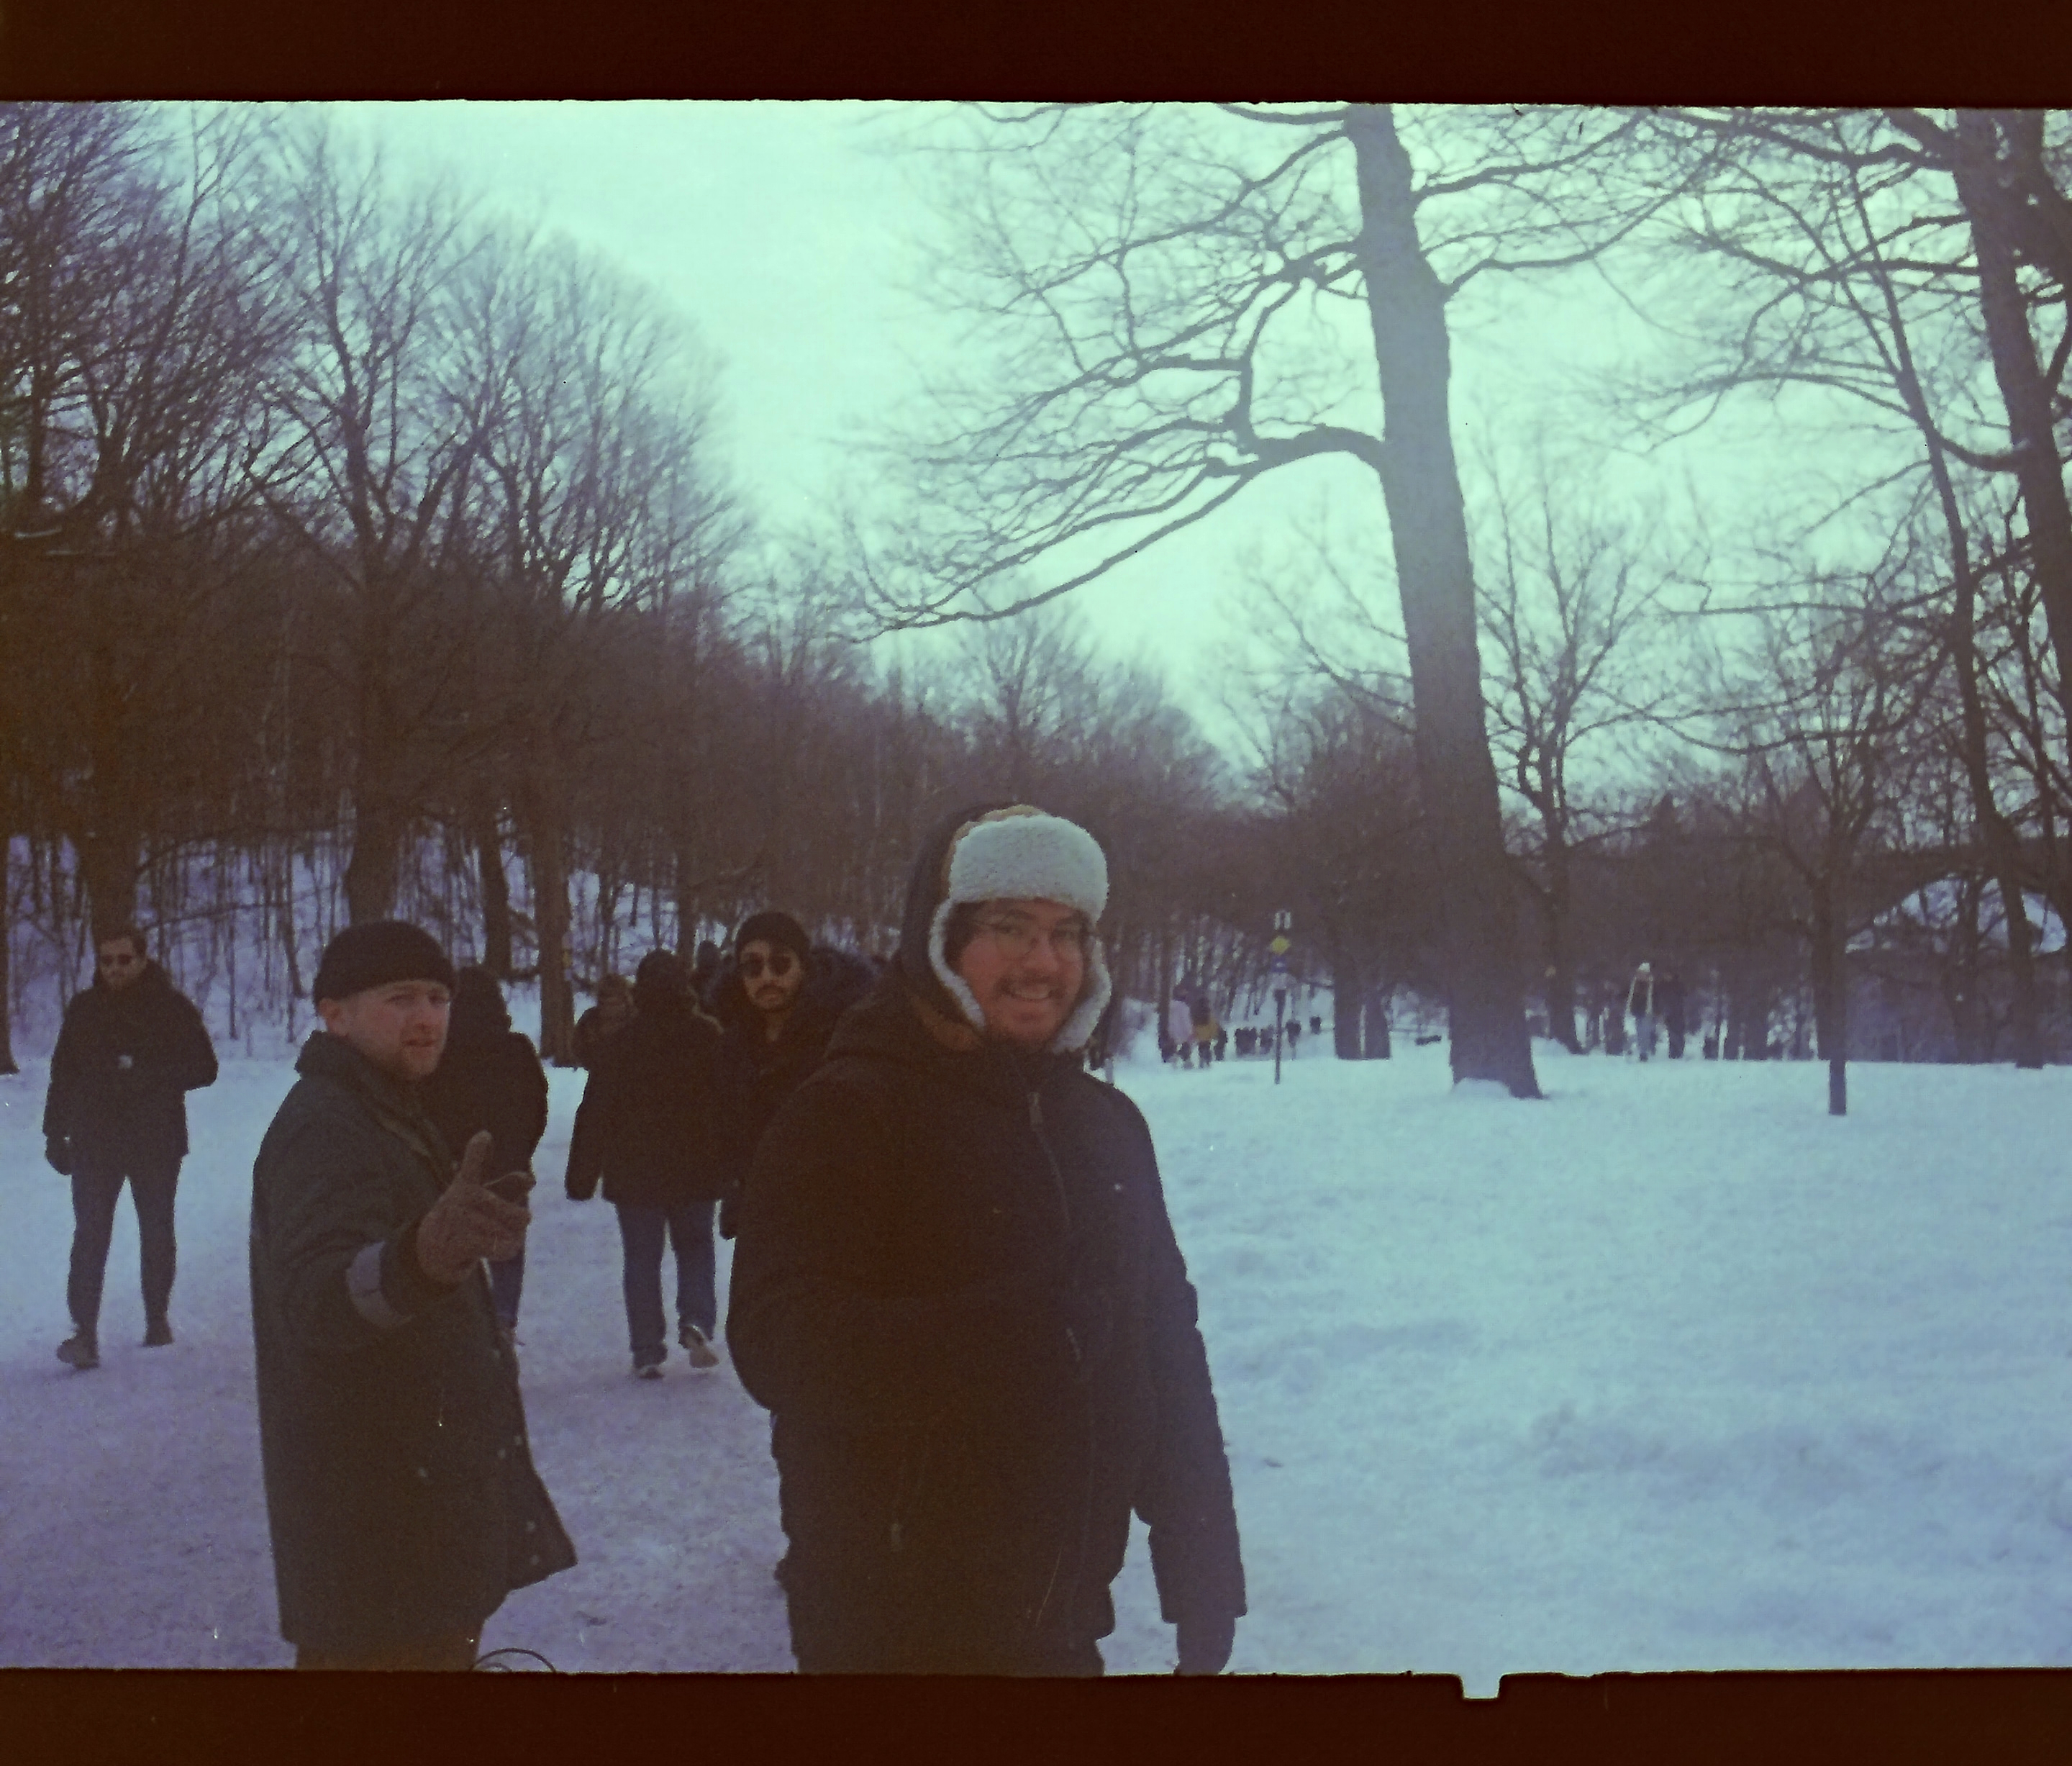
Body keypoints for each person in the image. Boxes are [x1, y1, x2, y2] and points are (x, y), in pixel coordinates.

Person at [728, 803, 1246, 1677]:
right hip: (891, 1629)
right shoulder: (849, 1109)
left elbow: (1166, 1343)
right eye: (1009, 928)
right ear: (939, 939)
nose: (1044, 963)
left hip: (1063, 1622)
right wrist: (1012, 1338)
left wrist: (1201, 1563)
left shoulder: (1108, 1126)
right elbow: (777, 1342)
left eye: (1066, 933)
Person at [249, 920, 573, 1670]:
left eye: (437, 997)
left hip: (413, 1517)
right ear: (335, 1014)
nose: (427, 1017)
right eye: (400, 998)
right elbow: (317, 1299)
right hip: (380, 1529)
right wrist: (420, 1259)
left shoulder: (384, 1104)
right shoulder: (327, 1124)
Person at [43, 925, 217, 1369]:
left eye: (124, 960)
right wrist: (54, 1134)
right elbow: (63, 1073)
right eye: (107, 961)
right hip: (95, 1139)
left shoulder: (172, 1008)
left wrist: (146, 1074)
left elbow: (205, 1068)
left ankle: (157, 1319)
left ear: (142, 960)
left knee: (156, 1230)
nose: (115, 969)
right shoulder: (84, 1009)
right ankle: (84, 1334)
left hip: (155, 1139)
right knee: (90, 1234)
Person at [565, 949, 726, 1377]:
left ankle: (646, 1349)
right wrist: (734, 1160)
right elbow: (729, 1102)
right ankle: (697, 1321)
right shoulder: (708, 1036)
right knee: (696, 1248)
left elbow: (595, 1111)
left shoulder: (621, 1044)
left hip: (635, 1171)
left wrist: (582, 1175)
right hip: (696, 1166)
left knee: (641, 1258)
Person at [711, 910, 876, 1241]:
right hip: (759, 1223)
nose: (767, 977)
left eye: (781, 963)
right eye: (752, 967)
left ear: (804, 966)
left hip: (833, 1224)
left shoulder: (842, 1034)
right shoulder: (735, 1043)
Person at [420, 966, 550, 1341]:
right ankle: (504, 1318)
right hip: (507, 1165)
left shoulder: (441, 1054)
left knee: (453, 1243)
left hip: (451, 1166)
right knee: (505, 1244)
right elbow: (537, 1105)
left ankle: (464, 1323)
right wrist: (521, 1149)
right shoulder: (517, 1049)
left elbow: (424, 1108)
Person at [571, 973, 634, 1070]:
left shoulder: (634, 1018)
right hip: (604, 1073)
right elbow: (578, 1048)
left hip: (623, 1074)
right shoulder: (590, 1018)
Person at [1627, 961, 1658, 1061]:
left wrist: (1656, 1010)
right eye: (1639, 973)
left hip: (1647, 1011)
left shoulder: (1651, 985)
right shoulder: (1634, 983)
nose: (1640, 975)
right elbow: (1631, 996)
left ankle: (1644, 1052)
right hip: (1637, 1010)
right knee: (1639, 1031)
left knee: (1644, 1031)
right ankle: (1642, 1050)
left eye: (1642, 973)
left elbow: (1655, 998)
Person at [1658, 965, 1689, 1060]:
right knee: (1671, 1032)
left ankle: (1679, 1050)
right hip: (1668, 1011)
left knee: (1679, 1031)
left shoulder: (1678, 985)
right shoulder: (1662, 985)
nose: (1667, 977)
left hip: (1678, 1011)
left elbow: (1685, 995)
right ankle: (1673, 1050)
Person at [1166, 995, 1194, 1068]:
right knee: (1187, 1045)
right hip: (1182, 1031)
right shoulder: (1184, 1008)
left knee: (1174, 1045)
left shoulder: (1169, 1006)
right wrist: (1190, 1032)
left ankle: (1173, 1061)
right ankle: (1186, 1062)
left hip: (1172, 1030)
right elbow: (1186, 1021)